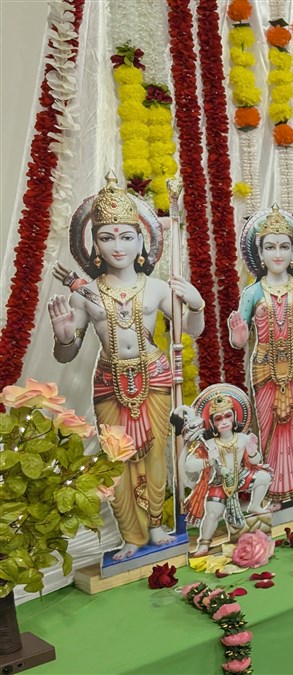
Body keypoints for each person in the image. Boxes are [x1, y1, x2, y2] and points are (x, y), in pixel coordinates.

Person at [48, 173, 206, 561]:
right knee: (115, 459)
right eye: (107, 237)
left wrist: (197, 304)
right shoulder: (86, 294)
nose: (117, 246)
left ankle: (155, 526)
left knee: (156, 455)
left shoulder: (157, 288)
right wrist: (64, 336)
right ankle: (130, 535)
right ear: (94, 245)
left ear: (140, 242)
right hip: (109, 382)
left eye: (126, 236)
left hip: (154, 377)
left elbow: (189, 331)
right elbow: (66, 355)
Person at [227, 205, 293, 508]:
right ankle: (270, 491)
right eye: (270, 247)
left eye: (283, 246)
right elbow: (239, 341)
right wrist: (237, 333)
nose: (277, 254)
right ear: (259, 253)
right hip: (263, 368)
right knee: (268, 427)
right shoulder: (252, 293)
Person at [179, 384, 272, 556]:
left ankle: (254, 506)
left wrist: (252, 451)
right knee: (212, 513)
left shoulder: (243, 438)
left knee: (264, 477)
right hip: (219, 482)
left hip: (241, 476)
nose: (224, 422)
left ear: (235, 417)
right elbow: (189, 465)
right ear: (212, 423)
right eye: (218, 418)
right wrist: (208, 461)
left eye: (228, 416)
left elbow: (256, 461)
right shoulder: (209, 445)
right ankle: (204, 543)